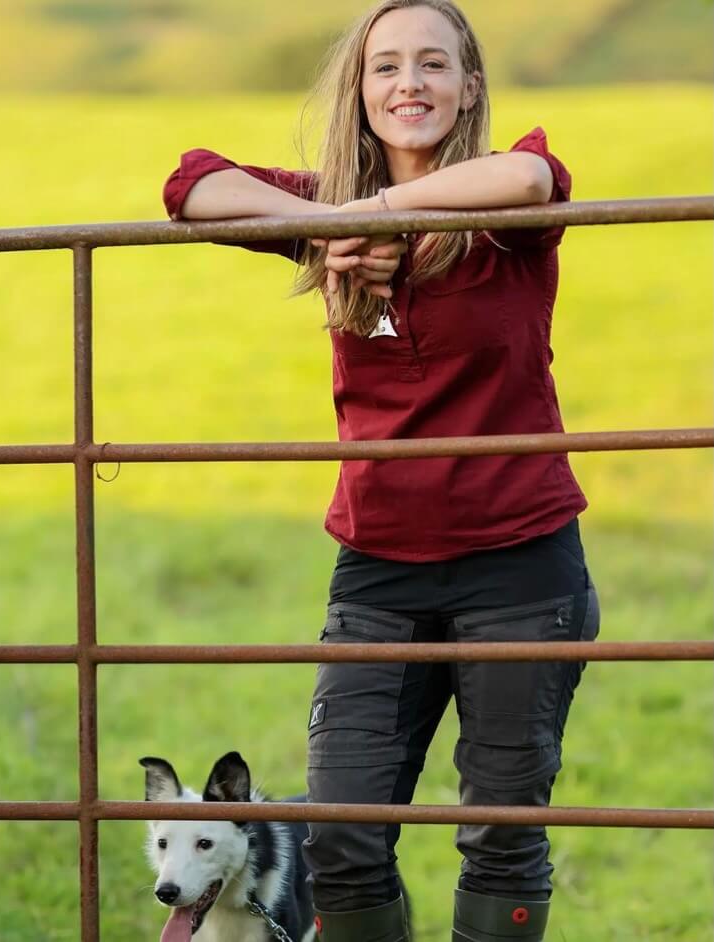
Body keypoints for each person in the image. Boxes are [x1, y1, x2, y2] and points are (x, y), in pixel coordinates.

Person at [162, 2, 600, 940]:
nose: (410, 83)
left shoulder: (503, 210)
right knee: (343, 837)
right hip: (377, 568)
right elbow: (190, 184)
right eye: (386, 66)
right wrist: (325, 228)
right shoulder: (323, 208)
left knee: (501, 835)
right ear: (359, 92)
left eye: (434, 64)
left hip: (518, 564)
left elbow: (532, 173)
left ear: (468, 85)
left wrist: (373, 214)